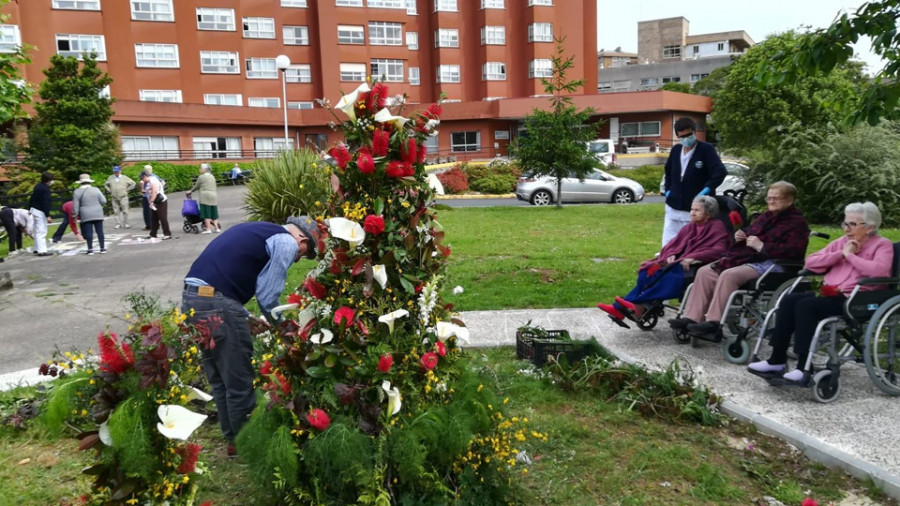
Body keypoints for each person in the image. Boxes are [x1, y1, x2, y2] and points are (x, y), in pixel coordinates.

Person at [180, 217, 320, 454]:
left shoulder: (260, 230)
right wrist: (285, 330)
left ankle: (234, 443)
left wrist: (244, 317)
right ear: (302, 239)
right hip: (216, 303)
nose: (299, 259)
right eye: (306, 253)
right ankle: (248, 447)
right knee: (239, 380)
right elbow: (267, 296)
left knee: (221, 380)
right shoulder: (286, 242)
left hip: (193, 298)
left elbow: (220, 278)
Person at [748, 202, 893, 382]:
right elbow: (811, 262)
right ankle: (776, 360)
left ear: (870, 227)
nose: (846, 229)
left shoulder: (882, 245)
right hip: (828, 294)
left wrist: (850, 256)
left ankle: (803, 367)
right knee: (789, 300)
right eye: (845, 224)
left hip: (856, 298)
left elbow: (880, 272)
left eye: (852, 224)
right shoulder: (841, 243)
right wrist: (840, 254)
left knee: (806, 306)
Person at [670, 181, 810, 340]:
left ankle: (714, 323)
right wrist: (741, 235)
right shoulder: (766, 217)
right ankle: (692, 318)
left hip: (775, 265)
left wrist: (762, 246)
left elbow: (794, 251)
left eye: (776, 198)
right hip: (751, 258)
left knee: (729, 275)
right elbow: (751, 231)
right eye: (769, 198)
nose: (771, 201)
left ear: (789, 200)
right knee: (706, 271)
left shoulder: (797, 223)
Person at [598, 196, 731, 326]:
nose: (692, 213)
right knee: (648, 271)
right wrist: (670, 255)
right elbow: (672, 245)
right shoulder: (690, 227)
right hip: (677, 262)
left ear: (708, 213)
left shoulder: (716, 227)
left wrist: (695, 257)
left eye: (697, 210)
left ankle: (630, 306)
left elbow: (719, 250)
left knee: (667, 276)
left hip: (694, 267)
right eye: (692, 209)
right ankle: (629, 307)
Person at [662, 117, 726, 246]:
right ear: (677, 136)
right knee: (668, 245)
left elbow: (720, 172)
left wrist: (706, 191)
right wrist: (668, 190)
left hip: (695, 208)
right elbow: (668, 172)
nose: (686, 138)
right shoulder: (676, 151)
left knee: (689, 245)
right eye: (682, 136)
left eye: (689, 134)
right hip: (674, 206)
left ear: (694, 132)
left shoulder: (706, 149)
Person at [73, 173, 108, 255]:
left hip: (85, 213)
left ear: (80, 182)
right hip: (98, 212)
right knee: (100, 231)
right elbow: (104, 201)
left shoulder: (77, 192)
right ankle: (102, 248)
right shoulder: (96, 189)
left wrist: (74, 215)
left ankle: (90, 249)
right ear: (89, 182)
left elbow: (75, 206)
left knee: (89, 232)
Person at [188, 163, 221, 234]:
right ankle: (217, 228)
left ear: (204, 169)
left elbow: (196, 186)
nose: (200, 169)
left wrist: (190, 191)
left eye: (201, 168)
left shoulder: (201, 177)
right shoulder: (212, 176)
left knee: (206, 213)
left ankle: (208, 229)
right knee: (213, 212)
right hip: (213, 195)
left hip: (205, 196)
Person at [140, 169, 171, 240]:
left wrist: (151, 201)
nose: (142, 180)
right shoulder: (147, 182)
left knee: (162, 217)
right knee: (153, 218)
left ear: (145, 176)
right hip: (154, 201)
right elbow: (148, 190)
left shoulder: (153, 180)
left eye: (142, 178)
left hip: (160, 200)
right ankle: (153, 234)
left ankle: (167, 233)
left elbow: (155, 191)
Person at [28, 171, 54, 256]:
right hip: (40, 211)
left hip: (34, 209)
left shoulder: (37, 186)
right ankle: (42, 250)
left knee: (37, 230)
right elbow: (45, 202)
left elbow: (32, 198)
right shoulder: (45, 189)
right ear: (49, 180)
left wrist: (29, 209)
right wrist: (47, 215)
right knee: (41, 231)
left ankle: (36, 248)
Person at [104, 165, 136, 229]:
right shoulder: (110, 178)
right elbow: (105, 184)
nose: (116, 173)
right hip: (114, 196)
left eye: (117, 171)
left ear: (120, 171)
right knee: (116, 211)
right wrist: (109, 190)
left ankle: (126, 223)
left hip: (123, 196)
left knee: (125, 211)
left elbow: (133, 183)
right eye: (115, 172)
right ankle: (118, 223)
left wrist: (127, 189)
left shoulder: (125, 177)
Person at [140, 164, 153, 230]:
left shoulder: (146, 177)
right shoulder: (155, 176)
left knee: (147, 212)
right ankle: (155, 224)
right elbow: (163, 182)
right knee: (153, 210)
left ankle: (149, 225)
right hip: (153, 196)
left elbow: (142, 188)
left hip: (147, 196)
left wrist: (142, 188)